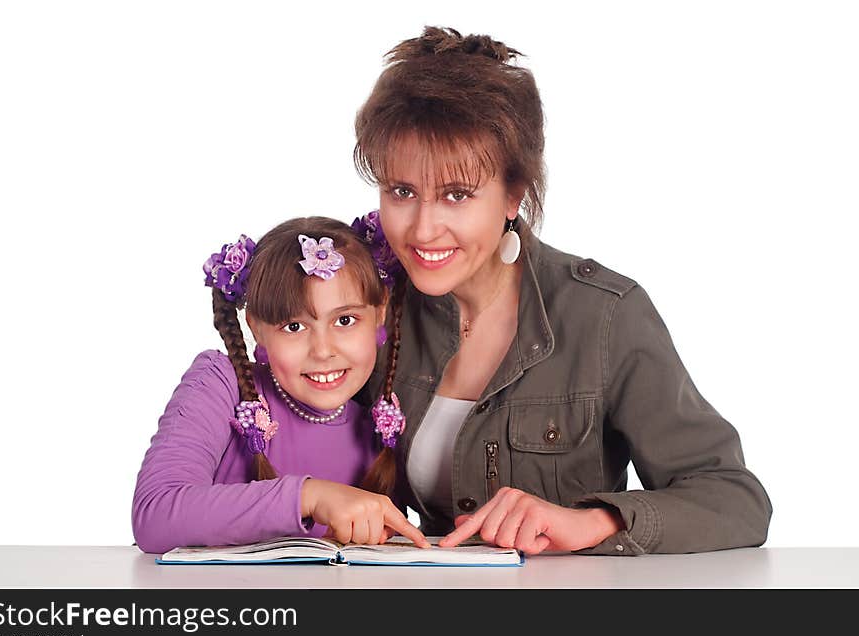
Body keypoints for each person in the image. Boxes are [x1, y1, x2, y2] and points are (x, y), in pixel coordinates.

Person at [352, 26, 773, 555]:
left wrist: (596, 521)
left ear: (513, 196)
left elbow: (737, 500)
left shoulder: (604, 316)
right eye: (402, 191)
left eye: (456, 195)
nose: (421, 228)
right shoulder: (369, 309)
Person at [132, 217, 429, 553]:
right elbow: (155, 515)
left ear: (379, 313)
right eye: (293, 326)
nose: (323, 351)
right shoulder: (221, 382)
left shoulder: (380, 425)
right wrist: (310, 495)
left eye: (345, 320)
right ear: (257, 329)